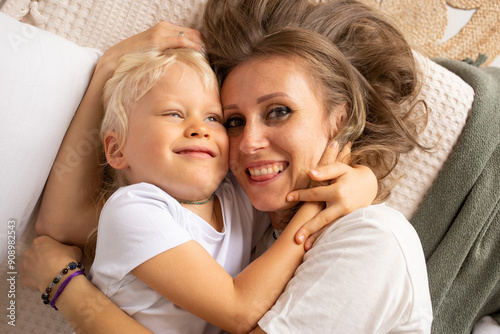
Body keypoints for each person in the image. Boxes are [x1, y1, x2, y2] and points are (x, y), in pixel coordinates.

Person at [22, 0, 433, 332]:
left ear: (338, 121)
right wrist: (108, 69)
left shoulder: (370, 240)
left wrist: (69, 292)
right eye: (234, 120)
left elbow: (237, 310)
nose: (249, 143)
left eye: (279, 111)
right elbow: (63, 224)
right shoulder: (247, 215)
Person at [81, 47, 342, 333]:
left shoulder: (235, 196)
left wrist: (359, 178)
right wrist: (319, 199)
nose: (199, 129)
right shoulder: (132, 209)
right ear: (117, 149)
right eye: (174, 114)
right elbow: (239, 310)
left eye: (213, 119)